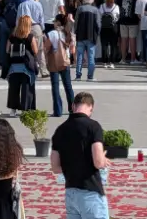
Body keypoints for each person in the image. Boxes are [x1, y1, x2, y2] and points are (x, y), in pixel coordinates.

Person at [51, 91, 110, 219]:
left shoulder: (60, 130)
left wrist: (72, 167)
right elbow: (98, 162)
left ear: (73, 106)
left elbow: (55, 167)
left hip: (71, 192)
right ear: (91, 107)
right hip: (90, 191)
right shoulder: (93, 127)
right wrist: (104, 159)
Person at [5, 15, 39, 116]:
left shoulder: (12, 36)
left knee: (13, 89)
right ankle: (25, 109)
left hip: (14, 67)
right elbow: (35, 51)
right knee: (27, 88)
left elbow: (7, 50)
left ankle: (13, 110)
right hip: (26, 67)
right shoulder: (29, 36)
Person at [47, 13, 76, 117]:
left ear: (58, 22)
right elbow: (72, 50)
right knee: (68, 86)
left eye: (55, 21)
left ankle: (58, 111)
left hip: (54, 61)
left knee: (55, 86)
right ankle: (72, 109)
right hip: (65, 61)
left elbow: (47, 47)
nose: (54, 23)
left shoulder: (52, 34)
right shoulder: (68, 33)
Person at [74, 0, 100, 81]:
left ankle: (78, 75)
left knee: (80, 56)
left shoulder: (80, 9)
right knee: (91, 57)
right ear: (92, 0)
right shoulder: (95, 10)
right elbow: (98, 24)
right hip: (91, 36)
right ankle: (90, 76)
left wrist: (75, 32)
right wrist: (97, 33)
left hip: (80, 36)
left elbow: (76, 22)